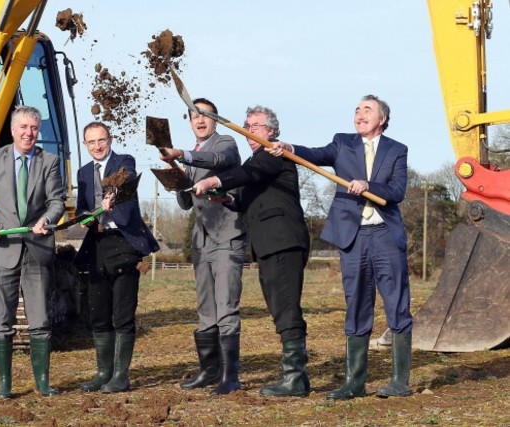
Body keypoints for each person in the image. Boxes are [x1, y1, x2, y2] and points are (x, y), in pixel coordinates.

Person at [272, 95, 412, 399]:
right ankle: (354, 383)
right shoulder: (342, 143)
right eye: (357, 109)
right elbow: (314, 154)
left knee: (397, 303)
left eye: (367, 109)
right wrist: (289, 149)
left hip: (386, 235)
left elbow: (397, 191)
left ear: (382, 119)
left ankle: (400, 381)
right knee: (357, 304)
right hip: (354, 236)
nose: (360, 114)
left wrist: (369, 186)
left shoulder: (396, 150)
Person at [193, 105, 311, 397]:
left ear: (271, 131)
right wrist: (226, 198)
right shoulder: (256, 161)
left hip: (283, 241)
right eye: (247, 125)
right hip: (267, 246)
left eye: (255, 125)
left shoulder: (274, 154)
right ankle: (295, 376)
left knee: (286, 308)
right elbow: (243, 195)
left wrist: (215, 179)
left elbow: (249, 172)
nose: (248, 130)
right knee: (279, 308)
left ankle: (295, 378)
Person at [0, 105, 66, 398]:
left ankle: (43, 383)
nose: (29, 133)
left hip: (36, 250)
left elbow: (57, 201)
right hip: (2, 250)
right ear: (12, 130)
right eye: (23, 127)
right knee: (3, 319)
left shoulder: (49, 161)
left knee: (40, 319)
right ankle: (4, 384)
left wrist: (46, 219)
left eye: (34, 128)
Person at [159, 98, 247, 395]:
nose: (200, 120)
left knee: (226, 306)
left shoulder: (225, 143)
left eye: (205, 115)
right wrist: (175, 173)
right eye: (194, 115)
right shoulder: (193, 156)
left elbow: (219, 163)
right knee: (205, 308)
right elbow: (186, 202)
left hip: (227, 238)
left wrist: (181, 155)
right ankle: (209, 370)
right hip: (202, 241)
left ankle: (230, 376)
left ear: (215, 119)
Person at [76, 121, 159, 393]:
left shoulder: (124, 161)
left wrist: (110, 198)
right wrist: (87, 217)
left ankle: (121, 376)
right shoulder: (84, 173)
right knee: (98, 312)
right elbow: (82, 210)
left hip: (124, 242)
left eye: (102, 140)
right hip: (98, 244)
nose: (97, 146)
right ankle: (104, 373)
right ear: (85, 145)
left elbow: (124, 182)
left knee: (122, 312)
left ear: (110, 140)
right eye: (91, 142)